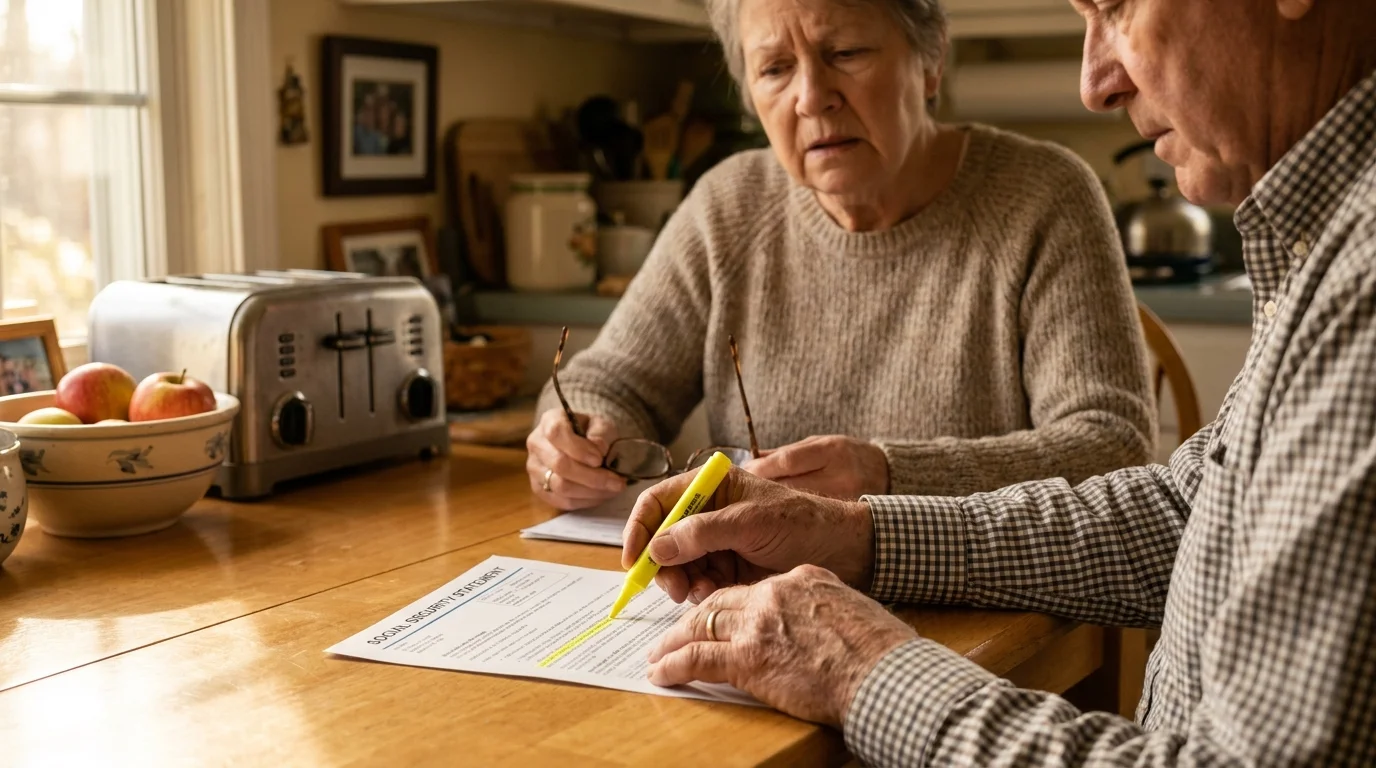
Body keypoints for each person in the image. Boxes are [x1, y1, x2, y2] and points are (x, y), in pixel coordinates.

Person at [621, 0, 1376, 764]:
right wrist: (857, 533)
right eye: (775, 68)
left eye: (1115, 6)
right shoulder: (1325, 239)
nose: (1095, 83)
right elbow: (1189, 510)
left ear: (930, 62)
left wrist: (862, 672)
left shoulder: (1363, 282)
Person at [527, 0, 1156, 511]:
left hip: (975, 616)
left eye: (846, 54)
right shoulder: (729, 203)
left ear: (931, 60)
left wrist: (886, 476)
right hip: (757, 604)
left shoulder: (1044, 197)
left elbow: (1111, 450)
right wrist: (575, 433)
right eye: (774, 69)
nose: (811, 97)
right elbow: (607, 381)